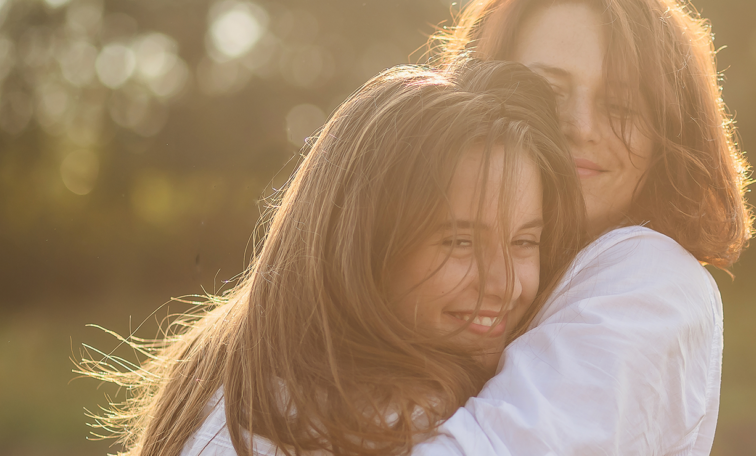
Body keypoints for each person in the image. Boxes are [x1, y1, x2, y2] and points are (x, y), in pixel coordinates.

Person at [81, 60, 585, 455]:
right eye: (459, 242)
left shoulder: (241, 366)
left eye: (524, 242)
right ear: (362, 243)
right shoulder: (376, 421)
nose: (502, 283)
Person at [413, 0, 754, 454]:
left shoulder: (651, 281)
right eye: (547, 94)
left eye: (621, 105)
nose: (582, 126)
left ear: (665, 133)